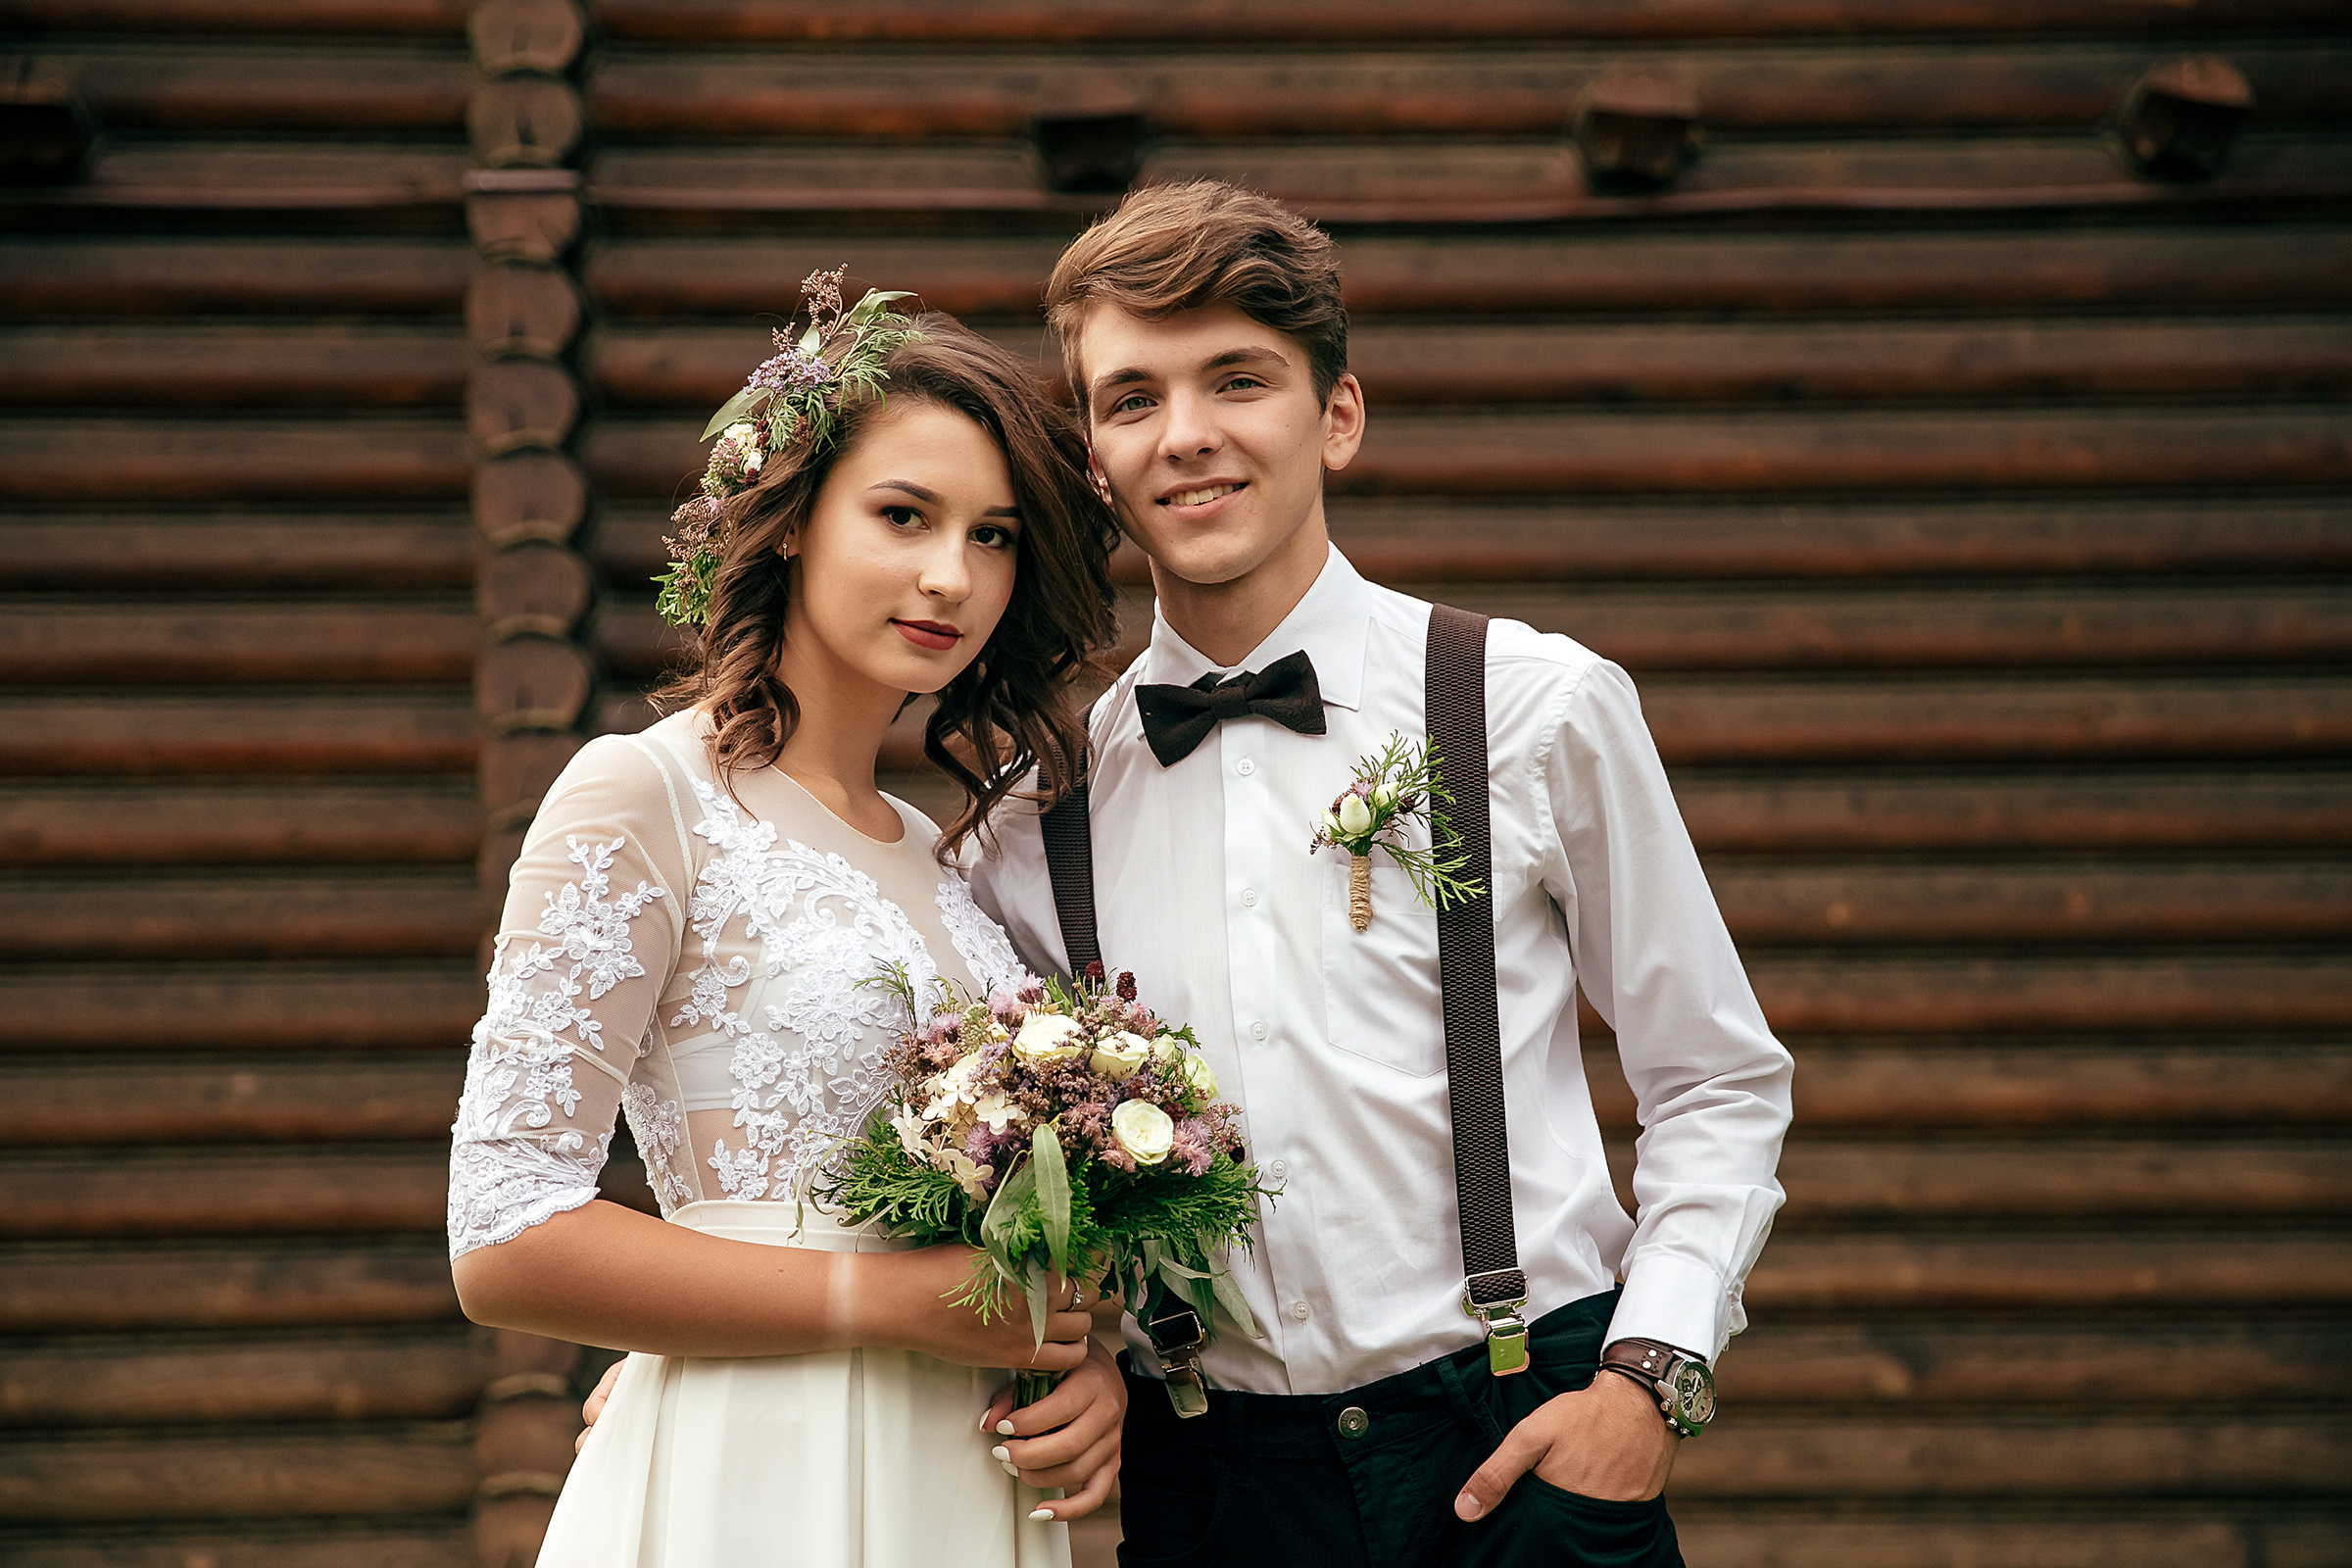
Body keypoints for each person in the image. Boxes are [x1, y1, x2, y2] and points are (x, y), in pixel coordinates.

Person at [963, 182, 1794, 1565]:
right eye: (1131, 398)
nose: (1188, 437)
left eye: (1240, 380)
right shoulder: (1034, 817)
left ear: (1337, 414)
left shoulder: (1532, 705)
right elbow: (1036, 1182)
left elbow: (1715, 1076)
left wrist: (1652, 1381)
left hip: (1527, 1443)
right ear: (1094, 459)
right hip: (1214, 1483)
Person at [448, 294, 1129, 1566]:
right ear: (795, 521)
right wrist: (880, 1302)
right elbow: (506, 1233)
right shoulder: (641, 795)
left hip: (961, 1479)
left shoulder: (944, 860)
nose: (953, 576)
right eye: (904, 515)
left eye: (994, 537)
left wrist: (1082, 1368)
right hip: (753, 1470)